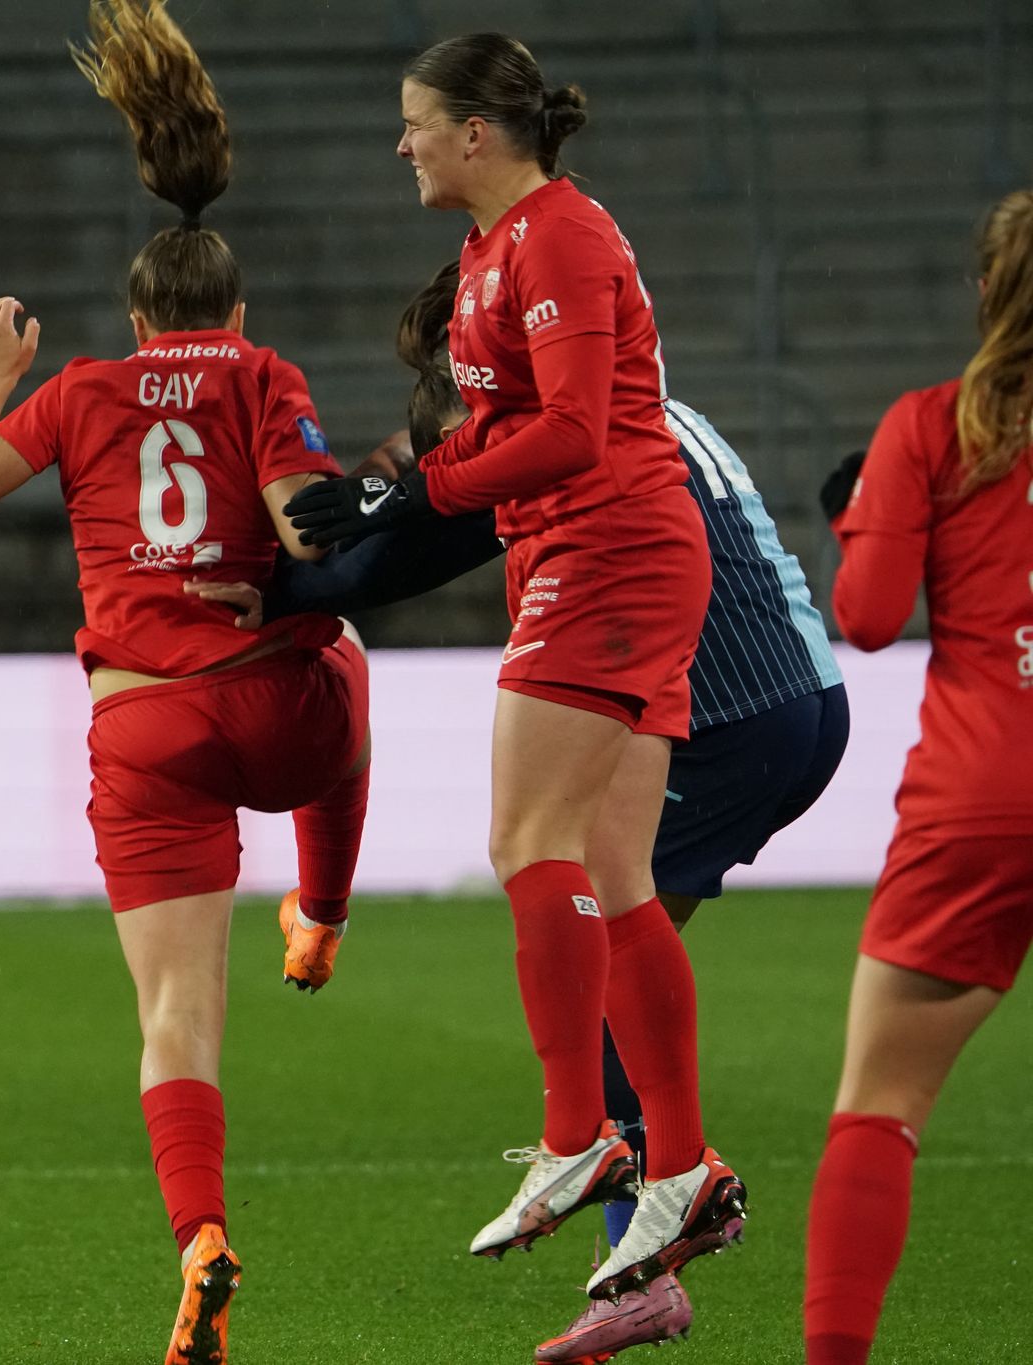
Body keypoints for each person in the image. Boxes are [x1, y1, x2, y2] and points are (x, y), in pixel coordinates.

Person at [201, 258, 850, 1361]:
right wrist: (371, 502)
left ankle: (649, 1236)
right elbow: (424, 495)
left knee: (586, 938)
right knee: (608, 949)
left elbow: (391, 557)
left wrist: (279, 587)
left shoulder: (555, 438)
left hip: (734, 716)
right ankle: (648, 1227)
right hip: (794, 696)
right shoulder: (633, 404)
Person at [0, 4, 370, 1359]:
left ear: (135, 319)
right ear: (234, 313)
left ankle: (201, 1240)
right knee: (347, 663)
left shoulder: (79, 390)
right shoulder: (263, 374)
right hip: (272, 701)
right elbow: (306, 531)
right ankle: (320, 913)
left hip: (144, 727)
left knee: (175, 1019)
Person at [284, 32, 745, 1302]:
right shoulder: (496, 249)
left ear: (473, 134)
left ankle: (575, 1137)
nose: (402, 144)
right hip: (589, 551)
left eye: (415, 123)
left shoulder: (560, 238)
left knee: (525, 841)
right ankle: (680, 1166)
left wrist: (412, 495)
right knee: (613, 869)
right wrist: (388, 491)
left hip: (607, 550)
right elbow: (501, 427)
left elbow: (575, 431)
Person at [801, 190, 1033, 1365]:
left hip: (981, 799)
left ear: (984, 292)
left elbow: (867, 617)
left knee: (878, 1109)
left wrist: (865, 517)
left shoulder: (930, 428)